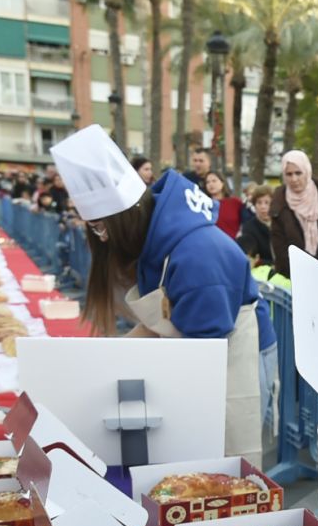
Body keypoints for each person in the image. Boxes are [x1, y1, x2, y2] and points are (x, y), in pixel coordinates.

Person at [56, 124, 266, 465]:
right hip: (198, 344)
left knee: (225, 456)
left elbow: (200, 362)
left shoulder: (197, 258)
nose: (103, 239)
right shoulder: (154, 239)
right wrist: (100, 360)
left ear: (123, 220)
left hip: (230, 353)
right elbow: (162, 326)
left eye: (100, 229)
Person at [269, 149, 318, 279]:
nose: (294, 179)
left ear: (307, 171)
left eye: (298, 173)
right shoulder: (279, 201)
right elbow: (279, 244)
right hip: (296, 274)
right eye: (289, 174)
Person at [237, 184, 275, 268]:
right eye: (259, 203)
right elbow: (251, 257)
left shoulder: (281, 224)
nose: (263, 207)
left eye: (267, 203)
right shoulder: (249, 227)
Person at [202, 169, 243, 238]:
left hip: (233, 243)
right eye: (207, 182)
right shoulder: (203, 205)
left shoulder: (236, 203)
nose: (210, 184)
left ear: (222, 183)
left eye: (214, 181)